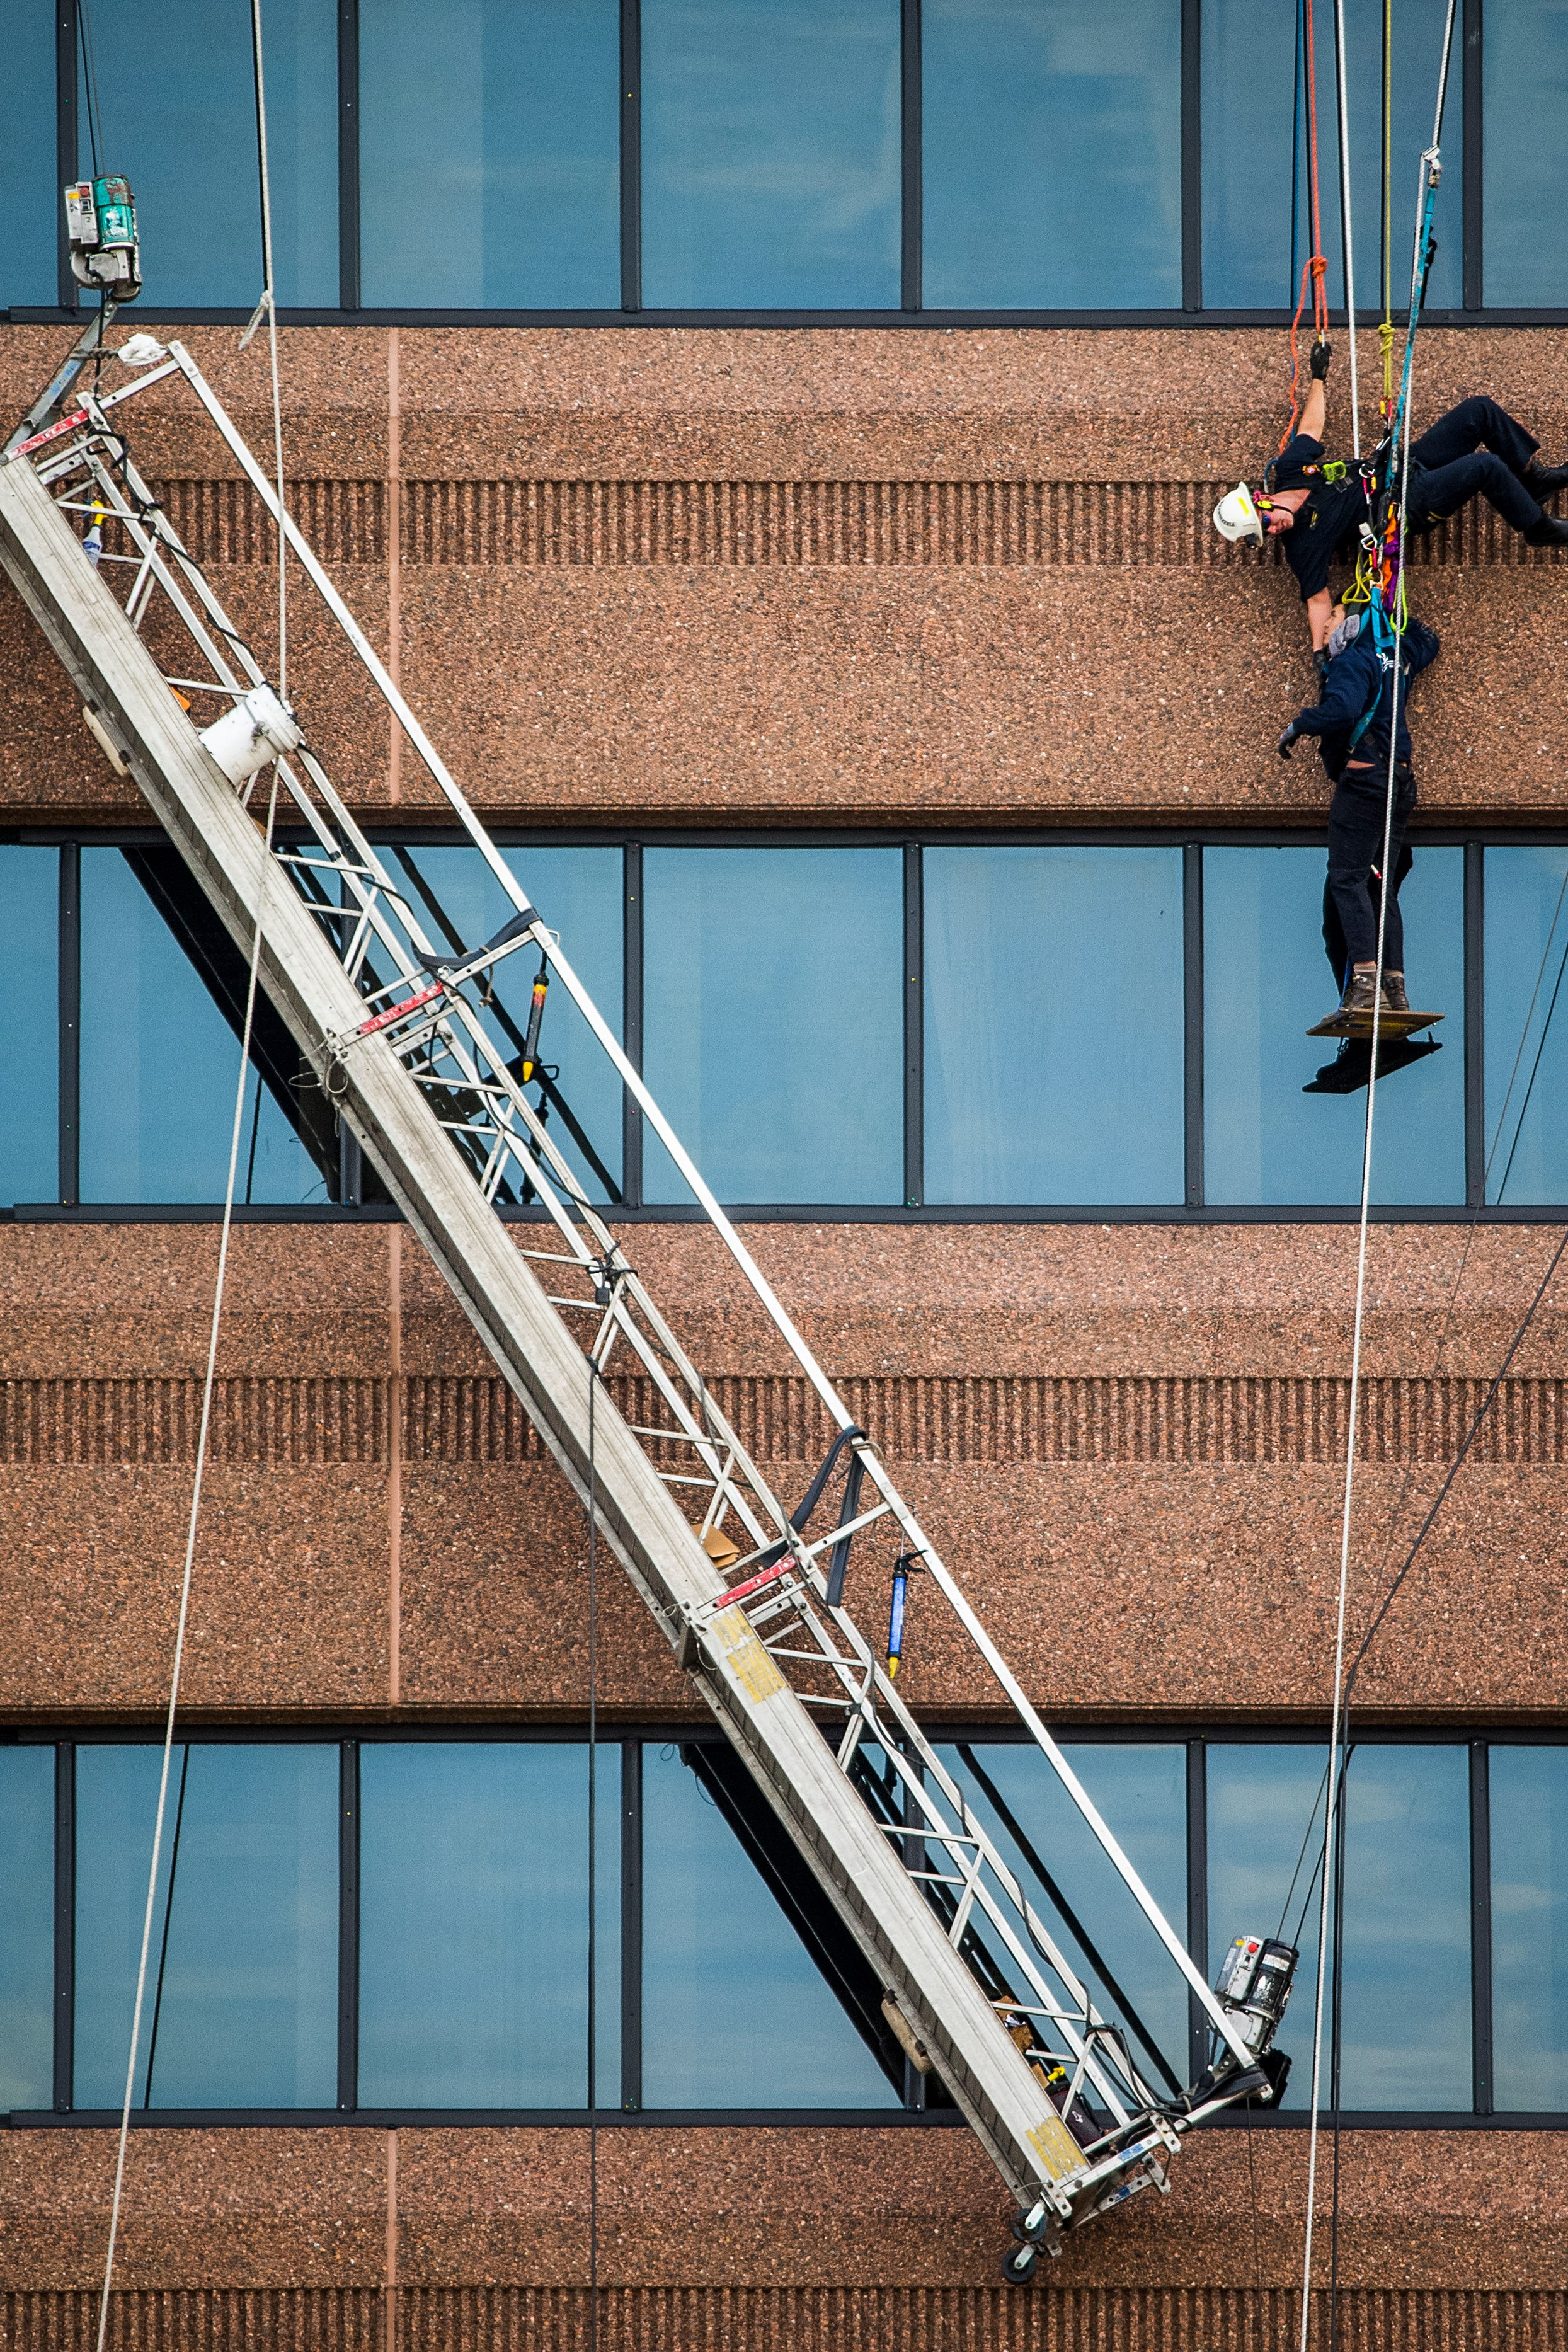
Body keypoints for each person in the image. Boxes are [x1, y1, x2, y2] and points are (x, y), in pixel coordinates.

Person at [1215, 344, 1568, 651]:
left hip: (1404, 467)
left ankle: (1533, 480)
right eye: (1266, 535)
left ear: (1262, 500)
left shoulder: (1290, 471)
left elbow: (1309, 429)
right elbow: (1317, 600)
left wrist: (1318, 378)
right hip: (1406, 507)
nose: (1274, 531)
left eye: (1265, 523)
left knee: (1479, 411)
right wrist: (1320, 654)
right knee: (1484, 468)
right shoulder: (1302, 544)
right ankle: (1537, 528)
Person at [1277, 602, 1441, 1031]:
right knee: (1378, 885)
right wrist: (1394, 609)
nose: (1324, 627)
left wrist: (1299, 725)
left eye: (1330, 619)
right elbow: (1429, 643)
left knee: (1347, 879)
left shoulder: (1352, 661)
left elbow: (1343, 710)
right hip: (1399, 784)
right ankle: (1394, 988)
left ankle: (1365, 984)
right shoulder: (1397, 655)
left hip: (1367, 783)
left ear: (1347, 627)